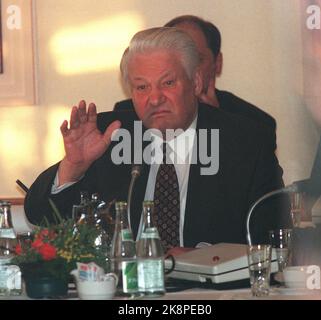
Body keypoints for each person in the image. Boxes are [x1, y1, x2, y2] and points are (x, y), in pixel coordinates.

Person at [24, 27, 291, 248]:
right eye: (142, 87)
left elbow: (272, 240)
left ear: (196, 82)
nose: (154, 98)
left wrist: (200, 260)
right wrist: (73, 168)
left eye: (168, 83)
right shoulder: (110, 135)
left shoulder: (246, 142)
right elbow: (40, 215)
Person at [114, 15, 276, 133]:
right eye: (142, 86)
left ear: (217, 63)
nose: (156, 99)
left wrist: (217, 123)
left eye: (196, 58)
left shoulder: (255, 124)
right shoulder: (124, 117)